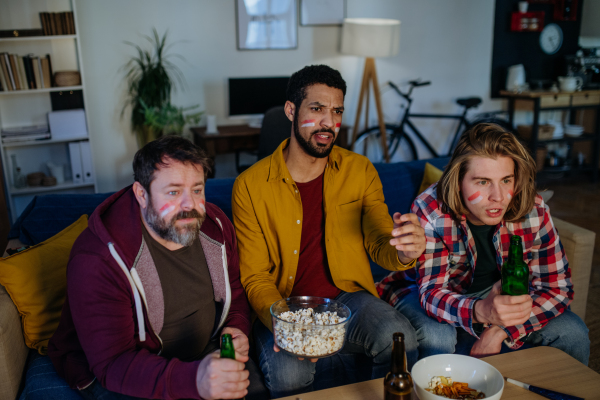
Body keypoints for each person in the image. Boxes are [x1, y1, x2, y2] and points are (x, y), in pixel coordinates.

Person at [232, 64, 426, 398]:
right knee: (290, 370)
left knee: (399, 337)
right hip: (284, 303)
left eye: (336, 111)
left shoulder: (360, 170)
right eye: (317, 109)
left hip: (347, 298)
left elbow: (381, 241)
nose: (328, 123)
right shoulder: (249, 186)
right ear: (291, 111)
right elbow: (254, 277)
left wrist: (404, 251)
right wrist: (289, 324)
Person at [48, 136, 261, 400]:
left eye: (197, 190)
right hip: (129, 371)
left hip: (206, 354)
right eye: (173, 192)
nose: (190, 205)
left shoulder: (215, 225)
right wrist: (194, 380)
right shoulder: (97, 258)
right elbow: (113, 364)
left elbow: (235, 290)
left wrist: (236, 327)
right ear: (141, 194)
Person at [377, 123, 590, 364]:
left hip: (499, 301)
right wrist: (482, 311)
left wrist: (501, 330)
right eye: (482, 182)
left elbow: (557, 288)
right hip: (433, 292)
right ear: (458, 181)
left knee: (574, 333)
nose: (498, 197)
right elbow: (432, 293)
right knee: (436, 336)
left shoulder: (534, 209)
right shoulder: (430, 209)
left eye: (506, 180)